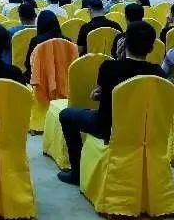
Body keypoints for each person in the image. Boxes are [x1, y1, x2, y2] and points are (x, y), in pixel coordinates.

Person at [57, 21, 164, 185]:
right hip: (144, 127)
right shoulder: (158, 73)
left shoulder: (109, 67)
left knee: (66, 115)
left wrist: (119, 61)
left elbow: (99, 96)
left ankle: (76, 173)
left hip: (108, 126)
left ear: (125, 43)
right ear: (151, 48)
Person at [23, 10, 70, 79]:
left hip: (41, 79)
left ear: (40, 25)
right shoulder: (67, 40)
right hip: (63, 78)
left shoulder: (36, 41)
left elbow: (28, 64)